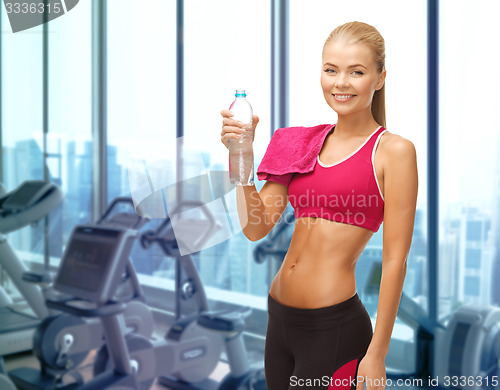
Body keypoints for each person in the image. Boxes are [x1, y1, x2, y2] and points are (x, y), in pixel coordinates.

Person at [220, 21, 418, 390]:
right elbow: (256, 227)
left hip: (334, 330)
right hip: (279, 319)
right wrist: (241, 157)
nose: (340, 83)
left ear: (379, 78)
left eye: (356, 72)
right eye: (331, 70)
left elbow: (395, 260)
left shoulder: (393, 152)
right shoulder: (296, 142)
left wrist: (377, 354)